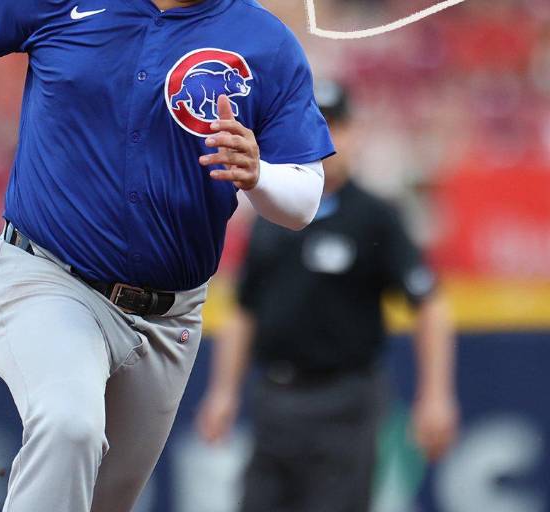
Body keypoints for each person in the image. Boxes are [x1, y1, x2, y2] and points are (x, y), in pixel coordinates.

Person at [0, 2, 336, 511]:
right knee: (69, 425)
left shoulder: (265, 43)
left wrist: (259, 175)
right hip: (49, 276)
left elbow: (304, 199)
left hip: (169, 319)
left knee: (100, 500)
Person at [195, 81, 458, 512]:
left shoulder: (374, 217)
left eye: (335, 125)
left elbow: (428, 303)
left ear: (354, 132)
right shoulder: (272, 214)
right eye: (316, 124)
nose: (325, 138)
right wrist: (222, 392)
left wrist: (435, 396)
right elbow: (245, 309)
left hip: (345, 403)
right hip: (275, 399)